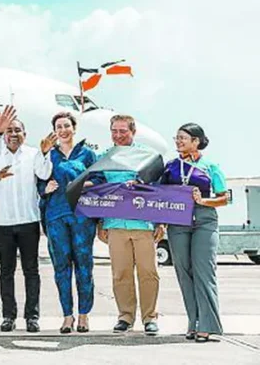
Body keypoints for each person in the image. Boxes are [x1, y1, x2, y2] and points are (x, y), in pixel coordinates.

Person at [0, 106, 54, 333]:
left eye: (18, 130)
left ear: (25, 134)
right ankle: (8, 316)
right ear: (4, 134)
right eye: (10, 130)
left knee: (31, 271)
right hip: (3, 223)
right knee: (6, 272)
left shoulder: (34, 154)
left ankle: (32, 316)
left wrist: (45, 154)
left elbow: (44, 174)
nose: (13, 134)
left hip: (28, 222)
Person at [96, 115, 164, 335]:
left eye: (123, 131)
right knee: (120, 273)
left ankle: (149, 318)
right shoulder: (104, 158)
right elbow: (98, 192)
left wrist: (160, 221)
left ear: (133, 131)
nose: (118, 135)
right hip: (115, 225)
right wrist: (100, 222)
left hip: (143, 225)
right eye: (114, 131)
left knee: (148, 273)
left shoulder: (148, 156)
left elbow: (158, 190)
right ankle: (125, 316)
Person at [160, 123, 228, 343]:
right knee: (184, 271)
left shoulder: (211, 166)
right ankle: (194, 322)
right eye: (177, 138)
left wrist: (204, 201)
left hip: (204, 220)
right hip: (178, 222)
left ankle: (208, 325)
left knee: (203, 272)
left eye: (183, 138)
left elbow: (225, 197)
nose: (178, 141)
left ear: (196, 141)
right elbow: (159, 194)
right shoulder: (171, 167)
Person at [40, 112, 97, 334]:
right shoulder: (48, 155)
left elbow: (99, 180)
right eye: (58, 127)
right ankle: (67, 316)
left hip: (82, 216)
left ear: (74, 128)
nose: (62, 130)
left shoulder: (87, 154)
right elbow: (38, 180)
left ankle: (84, 315)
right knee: (61, 268)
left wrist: (86, 183)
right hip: (56, 217)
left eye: (66, 125)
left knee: (84, 266)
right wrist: (44, 190)